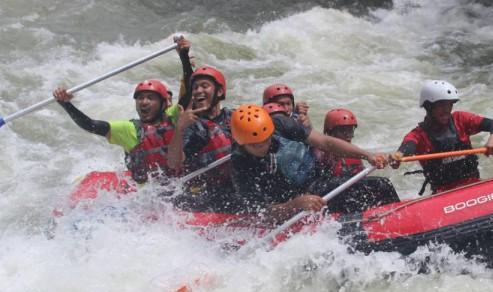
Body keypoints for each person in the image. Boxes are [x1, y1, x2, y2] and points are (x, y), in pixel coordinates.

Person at [52, 36, 193, 183]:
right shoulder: (129, 129)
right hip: (148, 194)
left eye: (150, 98)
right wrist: (66, 104)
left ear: (164, 104)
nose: (144, 102)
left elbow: (189, 92)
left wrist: (184, 56)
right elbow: (90, 125)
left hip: (180, 185)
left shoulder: (174, 116)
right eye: (140, 98)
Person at [230, 104, 392, 224]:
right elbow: (262, 213)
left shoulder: (280, 124)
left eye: (266, 140)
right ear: (242, 143)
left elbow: (325, 142)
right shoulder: (240, 165)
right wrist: (295, 204)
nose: (263, 146)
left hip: (316, 186)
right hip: (290, 206)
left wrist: (367, 155)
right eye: (256, 145)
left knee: (381, 185)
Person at [390, 80, 493, 194]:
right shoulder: (418, 135)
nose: (447, 110)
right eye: (441, 105)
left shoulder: (460, 119)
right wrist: (398, 155)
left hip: (473, 184)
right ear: (428, 106)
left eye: (450, 104)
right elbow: (408, 146)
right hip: (443, 193)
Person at [167, 65, 237, 212]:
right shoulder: (192, 128)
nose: (198, 91)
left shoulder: (234, 117)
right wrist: (179, 128)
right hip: (207, 194)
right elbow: (173, 163)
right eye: (195, 87)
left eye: (204, 86)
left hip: (237, 186)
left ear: (219, 91)